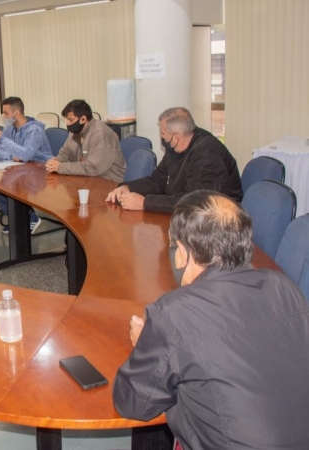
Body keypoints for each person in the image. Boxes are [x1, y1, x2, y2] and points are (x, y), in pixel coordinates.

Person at [113, 190, 309, 450]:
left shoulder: (173, 313)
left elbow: (132, 403)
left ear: (182, 252)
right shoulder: (284, 286)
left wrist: (145, 345)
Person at [106, 107, 242, 212]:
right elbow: (158, 180)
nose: (162, 139)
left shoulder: (207, 155)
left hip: (219, 222)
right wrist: (128, 187)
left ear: (176, 137)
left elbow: (193, 202)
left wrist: (144, 203)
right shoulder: (176, 147)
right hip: (187, 214)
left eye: (163, 134)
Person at [0, 96, 53, 234]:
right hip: (22, 168)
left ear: (16, 113)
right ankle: (17, 218)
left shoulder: (34, 130)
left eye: (6, 113)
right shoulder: (10, 128)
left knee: (12, 183)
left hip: (41, 170)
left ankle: (31, 218)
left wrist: (4, 142)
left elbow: (26, 155)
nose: (3, 117)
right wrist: (12, 156)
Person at [45, 99, 126, 183]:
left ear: (83, 119)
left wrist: (60, 167)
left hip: (108, 181)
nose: (67, 123)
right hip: (87, 178)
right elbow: (65, 153)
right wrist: (54, 163)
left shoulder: (100, 134)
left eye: (71, 119)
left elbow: (93, 168)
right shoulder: (76, 131)